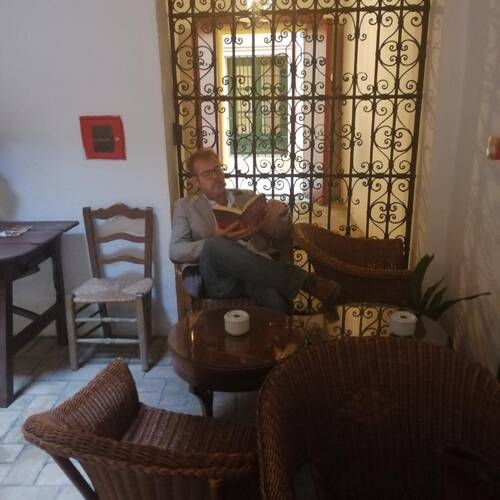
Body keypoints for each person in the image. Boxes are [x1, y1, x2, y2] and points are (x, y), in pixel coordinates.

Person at [169, 148, 341, 314]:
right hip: (220, 279)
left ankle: (287, 329)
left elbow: (282, 234)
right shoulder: (185, 207)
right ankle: (307, 281)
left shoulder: (246, 197)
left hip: (257, 270)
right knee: (214, 245)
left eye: (217, 170)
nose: (215, 176)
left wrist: (281, 214)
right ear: (196, 181)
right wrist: (214, 239)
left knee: (266, 289)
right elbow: (175, 251)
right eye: (207, 174)